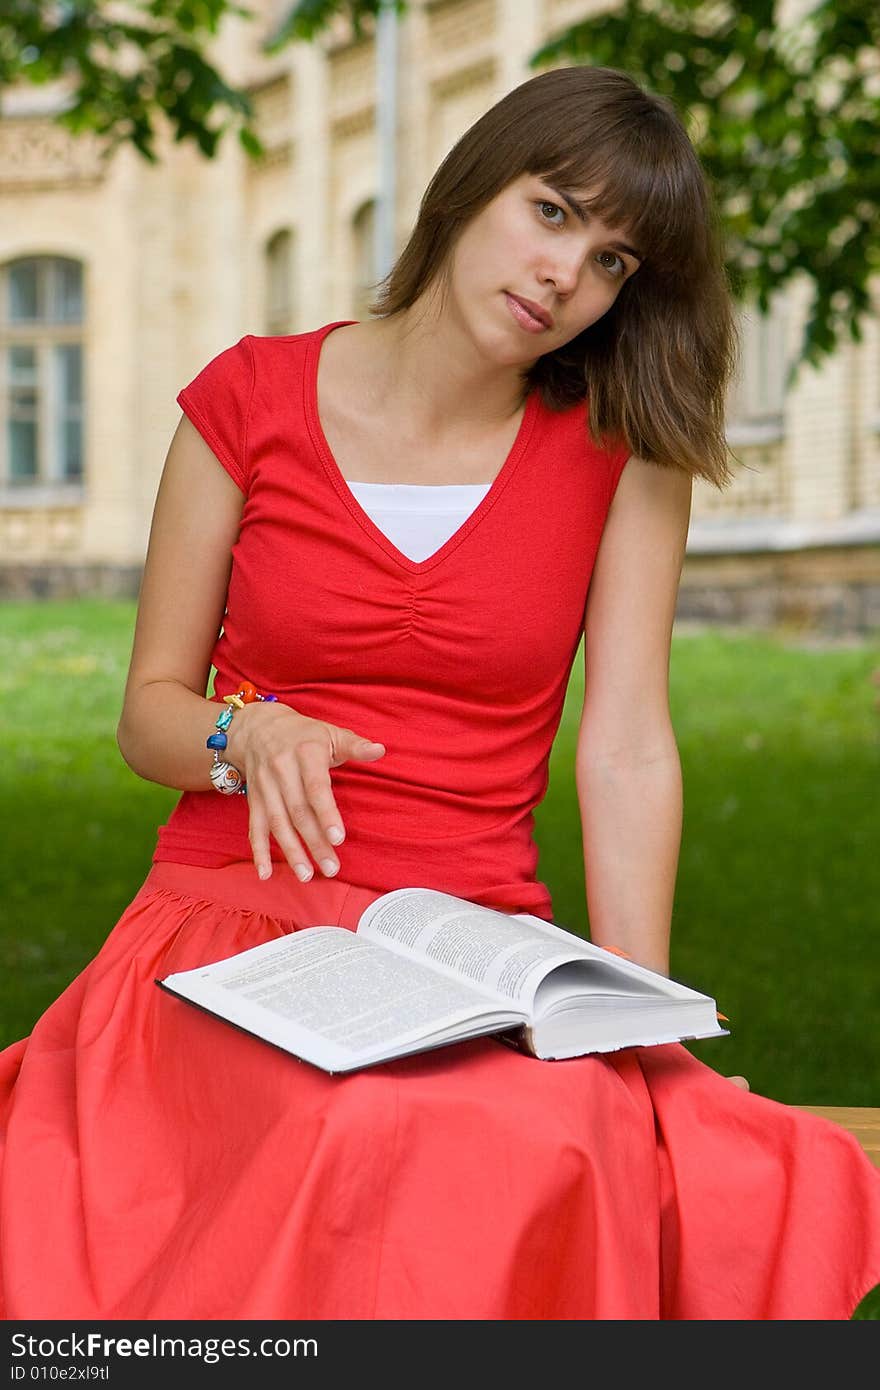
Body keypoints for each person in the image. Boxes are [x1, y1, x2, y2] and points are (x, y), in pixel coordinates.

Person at [2, 64, 879, 1322]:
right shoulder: (243, 399)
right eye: (553, 211)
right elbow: (149, 711)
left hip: (472, 946)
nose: (567, 273)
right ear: (472, 189)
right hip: (226, 929)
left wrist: (627, 1010)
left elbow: (626, 743)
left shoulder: (623, 453)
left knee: (531, 1138)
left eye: (616, 261)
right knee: (358, 1134)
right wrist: (243, 731)